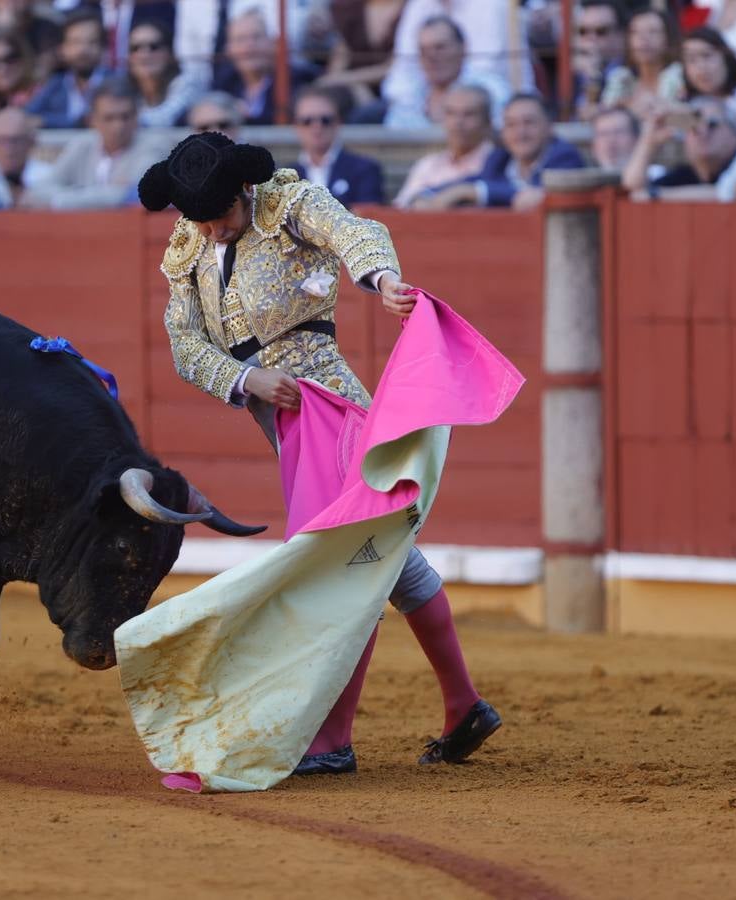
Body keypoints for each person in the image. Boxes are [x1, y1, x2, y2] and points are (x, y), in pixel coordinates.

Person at [138, 131, 502, 775]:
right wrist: (248, 381)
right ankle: (463, 704)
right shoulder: (189, 245)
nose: (214, 232)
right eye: (199, 219)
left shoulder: (289, 204)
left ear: (244, 192)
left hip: (327, 407)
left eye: (220, 216)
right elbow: (186, 348)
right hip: (278, 419)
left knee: (345, 562)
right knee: (380, 559)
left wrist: (384, 279)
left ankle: (334, 739)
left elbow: (352, 233)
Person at [413, 93, 585, 211]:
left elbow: (531, 197)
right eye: (511, 125)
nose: (520, 133)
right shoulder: (501, 158)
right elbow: (474, 181)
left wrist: (473, 191)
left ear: (549, 127)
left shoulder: (564, 157)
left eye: (529, 123)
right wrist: (427, 195)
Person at [26, 77, 165, 210]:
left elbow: (131, 194)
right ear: (93, 120)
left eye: (125, 116)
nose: (118, 126)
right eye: (109, 118)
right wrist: (70, 199)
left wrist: (65, 199)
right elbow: (40, 189)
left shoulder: (153, 146)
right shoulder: (82, 145)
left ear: (136, 116)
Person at [383, 14, 509, 130]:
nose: (431, 57)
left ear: (463, 48)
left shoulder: (492, 90)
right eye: (423, 50)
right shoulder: (407, 95)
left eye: (440, 48)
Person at [212, 8, 319, 127]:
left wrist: (243, 117)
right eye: (240, 39)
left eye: (256, 37)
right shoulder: (224, 84)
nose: (249, 46)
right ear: (229, 49)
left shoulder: (297, 80)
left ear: (273, 43)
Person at [393, 83, 495, 207]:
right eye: (451, 113)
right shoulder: (427, 164)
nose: (458, 122)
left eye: (469, 114)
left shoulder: (499, 163)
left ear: (487, 121)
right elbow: (402, 208)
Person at [623, 96, 736, 199]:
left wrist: (658, 195)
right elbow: (634, 188)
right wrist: (648, 142)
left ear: (735, 134)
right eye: (694, 127)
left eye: (712, 125)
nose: (703, 132)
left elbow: (731, 193)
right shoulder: (682, 175)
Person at [289, 86, 384, 208]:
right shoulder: (285, 177)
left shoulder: (364, 170)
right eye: (307, 121)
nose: (317, 127)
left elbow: (370, 218)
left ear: (338, 123)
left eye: (325, 120)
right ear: (296, 126)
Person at [28, 7, 113, 128]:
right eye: (75, 42)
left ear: (103, 48)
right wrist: (79, 122)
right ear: (62, 49)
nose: (83, 50)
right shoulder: (55, 84)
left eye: (92, 42)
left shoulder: (118, 81)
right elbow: (28, 117)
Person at [601, 8, 686, 117]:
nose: (643, 38)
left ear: (668, 39)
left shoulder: (683, 76)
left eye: (653, 32)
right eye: (635, 32)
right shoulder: (621, 78)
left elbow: (693, 122)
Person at [681, 26, 736, 121]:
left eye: (707, 56)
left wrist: (720, 112)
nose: (701, 67)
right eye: (691, 60)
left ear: (726, 57)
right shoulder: (688, 102)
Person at [126, 19, 201, 127]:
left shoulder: (187, 83)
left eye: (154, 46)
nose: (144, 55)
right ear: (129, 57)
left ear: (169, 52)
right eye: (135, 48)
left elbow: (162, 121)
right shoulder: (125, 88)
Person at [0, 106, 46, 204]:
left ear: (31, 142)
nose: (9, 149)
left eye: (15, 140)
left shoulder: (48, 179)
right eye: (1, 141)